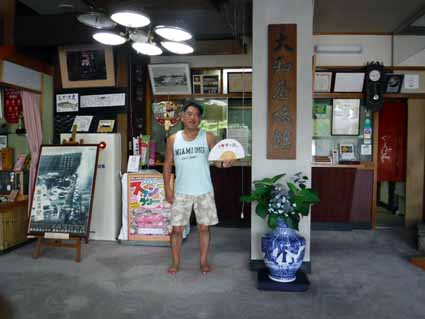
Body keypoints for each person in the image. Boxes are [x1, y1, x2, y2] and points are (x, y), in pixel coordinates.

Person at [163, 100, 232, 275]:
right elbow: (167, 165)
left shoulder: (208, 137)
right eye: (190, 114)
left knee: (204, 228)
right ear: (182, 117)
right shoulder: (173, 139)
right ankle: (176, 263)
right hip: (181, 192)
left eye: (197, 115)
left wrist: (225, 164)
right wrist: (167, 189)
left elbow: (217, 161)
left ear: (200, 119)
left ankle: (203, 262)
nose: (193, 118)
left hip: (204, 191)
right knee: (177, 229)